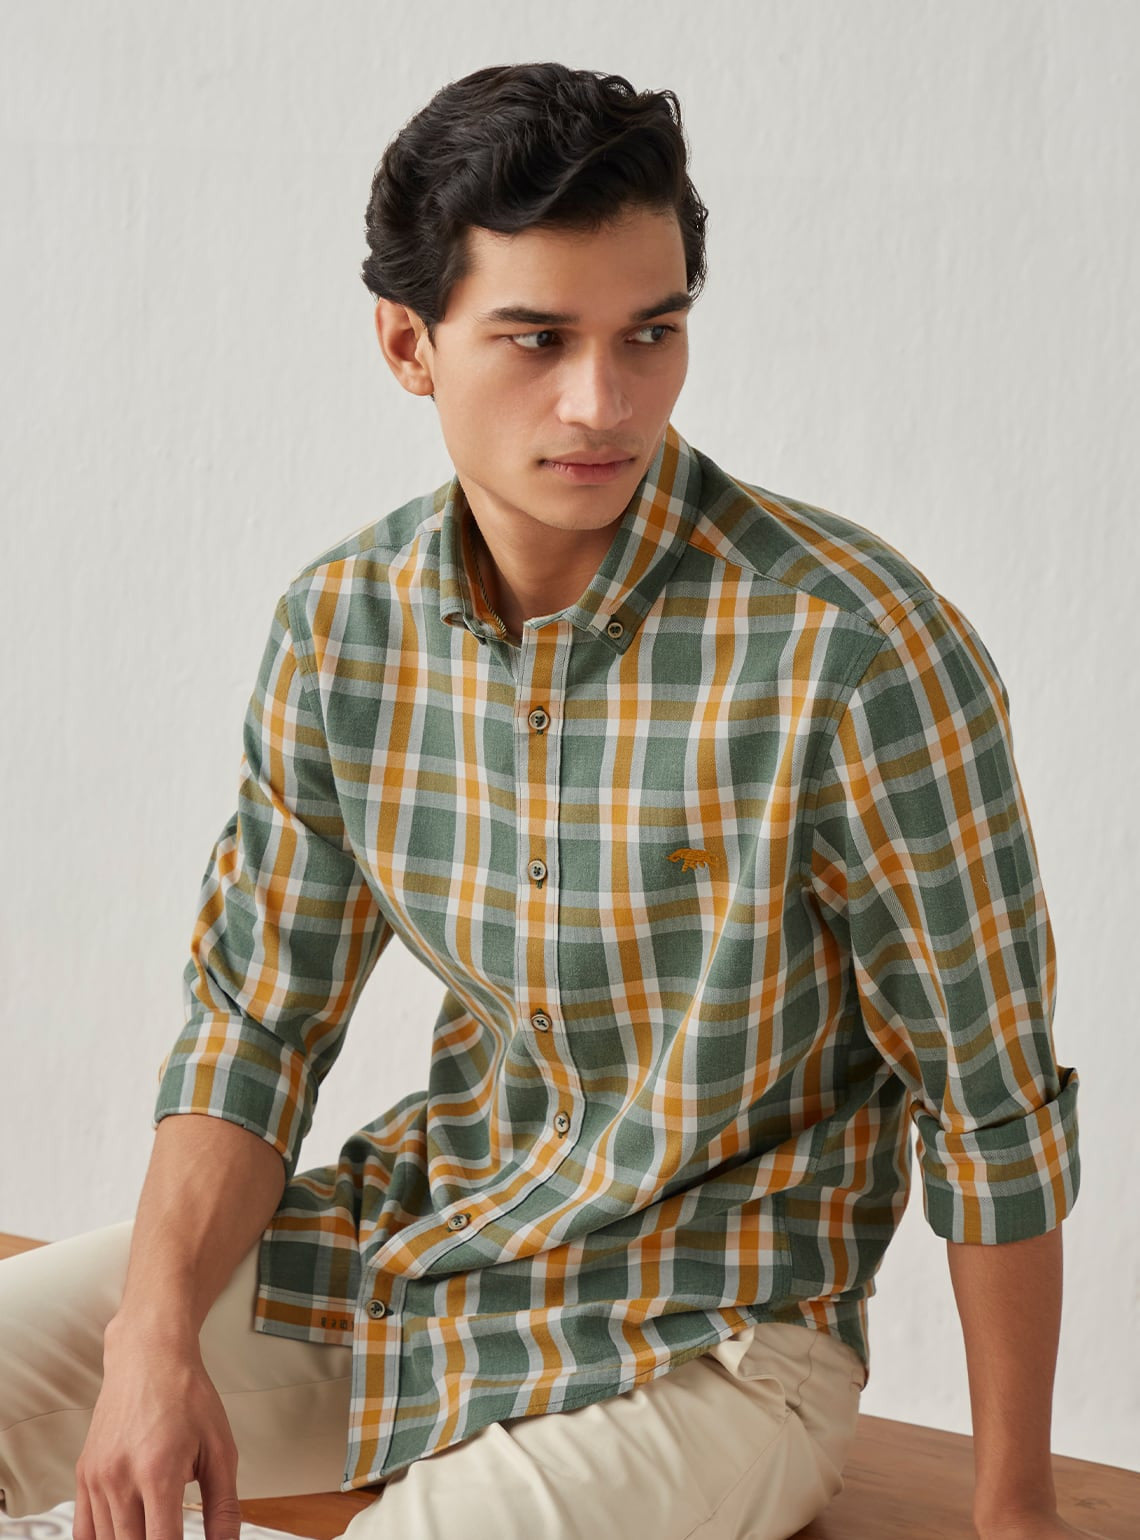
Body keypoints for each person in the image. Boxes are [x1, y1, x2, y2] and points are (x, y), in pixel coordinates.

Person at [0, 60, 1090, 1540]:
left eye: (651, 333)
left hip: (720, 1343)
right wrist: (151, 1343)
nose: (603, 402)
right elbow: (257, 1025)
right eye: (537, 338)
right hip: (423, 1253)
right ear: (409, 342)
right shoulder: (343, 631)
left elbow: (988, 1101)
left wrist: (1016, 1507)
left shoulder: (851, 652)